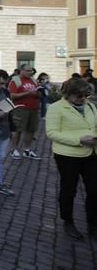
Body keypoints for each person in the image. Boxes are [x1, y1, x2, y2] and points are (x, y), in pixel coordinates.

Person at [45, 77, 97, 240]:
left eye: (85, 96)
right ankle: (68, 221)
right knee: (69, 189)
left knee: (94, 190)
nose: (83, 99)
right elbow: (52, 133)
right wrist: (78, 140)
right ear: (68, 94)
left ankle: (93, 224)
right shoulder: (56, 108)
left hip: (92, 152)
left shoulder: (91, 106)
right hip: (68, 155)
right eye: (79, 96)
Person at [9, 64, 42, 160]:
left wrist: (38, 93)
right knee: (18, 130)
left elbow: (37, 94)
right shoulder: (15, 80)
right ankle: (14, 149)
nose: (30, 72)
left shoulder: (33, 80)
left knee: (31, 130)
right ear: (21, 71)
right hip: (20, 108)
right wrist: (28, 93)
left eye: (31, 71)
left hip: (33, 108)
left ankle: (27, 150)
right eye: (28, 71)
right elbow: (12, 96)